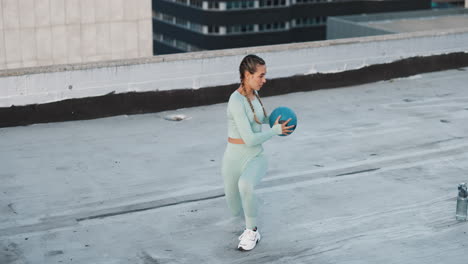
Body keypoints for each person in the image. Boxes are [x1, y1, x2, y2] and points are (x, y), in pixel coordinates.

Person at [221, 54, 294, 251]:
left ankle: (252, 231)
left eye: (265, 75)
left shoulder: (254, 95)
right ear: (247, 75)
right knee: (235, 208)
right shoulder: (236, 101)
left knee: (245, 185)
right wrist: (274, 131)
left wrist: (276, 121)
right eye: (261, 75)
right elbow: (249, 138)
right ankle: (250, 201)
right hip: (233, 158)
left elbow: (259, 119)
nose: (265, 80)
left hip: (256, 156)